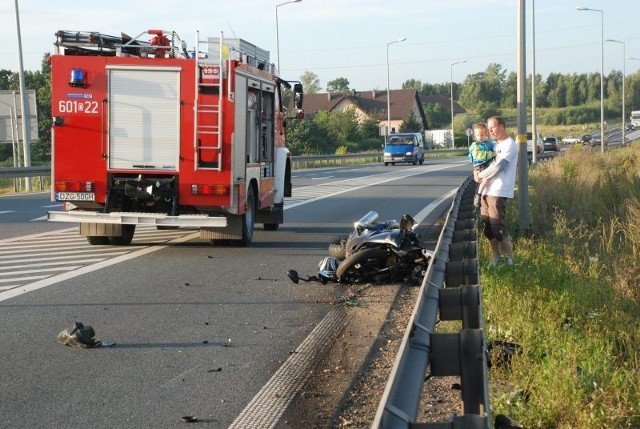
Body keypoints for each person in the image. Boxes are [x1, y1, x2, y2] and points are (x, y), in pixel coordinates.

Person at [473, 116, 518, 265]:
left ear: (502, 126)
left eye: (493, 127)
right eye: (489, 127)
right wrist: (475, 171)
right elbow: (481, 159)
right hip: (486, 191)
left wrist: (480, 175)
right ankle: (497, 259)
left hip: (498, 191)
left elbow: (499, 166)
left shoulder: (509, 145)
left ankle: (510, 260)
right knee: (488, 228)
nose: (490, 130)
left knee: (498, 227)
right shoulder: (494, 145)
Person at [468, 122, 496, 207]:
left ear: (486, 135)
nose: (480, 137)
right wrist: (492, 154)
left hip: (485, 165)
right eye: (478, 135)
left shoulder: (488, 143)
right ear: (475, 136)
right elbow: (480, 157)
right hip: (480, 166)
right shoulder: (476, 146)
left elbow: (495, 144)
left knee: (487, 181)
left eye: (482, 135)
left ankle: (482, 194)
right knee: (486, 179)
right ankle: (478, 195)